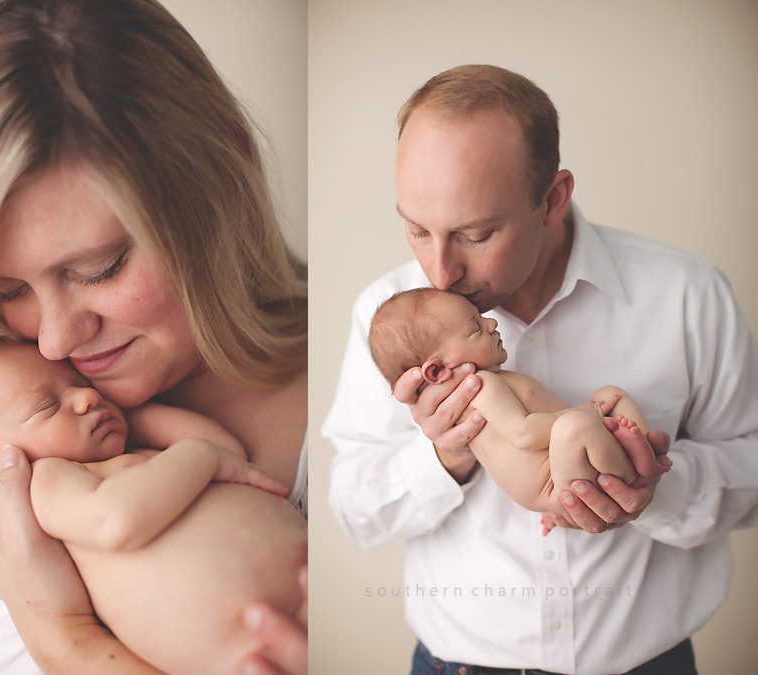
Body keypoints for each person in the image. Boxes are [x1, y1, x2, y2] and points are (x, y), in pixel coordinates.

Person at [0, 1, 307, 673]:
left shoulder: (360, 403)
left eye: (99, 269)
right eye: (8, 287)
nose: (53, 340)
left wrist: (63, 635)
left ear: (218, 180)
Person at [324, 64, 758, 673]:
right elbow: (352, 510)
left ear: (552, 200)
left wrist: (661, 487)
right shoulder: (387, 317)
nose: (439, 272)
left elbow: (752, 474)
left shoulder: (687, 295)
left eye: (475, 234)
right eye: (417, 230)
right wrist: (445, 455)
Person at [0, 342, 308, 674]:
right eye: (47, 407)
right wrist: (200, 458)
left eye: (79, 384)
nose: (86, 397)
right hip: (250, 651)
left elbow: (230, 455)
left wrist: (138, 419)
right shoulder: (45, 482)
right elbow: (117, 521)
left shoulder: (144, 455)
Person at [368, 288, 667, 530]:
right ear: (437, 371)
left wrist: (586, 415)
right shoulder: (481, 384)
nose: (491, 323)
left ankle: (642, 459)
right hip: (551, 478)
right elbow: (524, 433)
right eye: (475, 328)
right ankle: (639, 465)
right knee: (575, 426)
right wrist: (585, 414)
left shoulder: (492, 378)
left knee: (609, 394)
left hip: (564, 461)